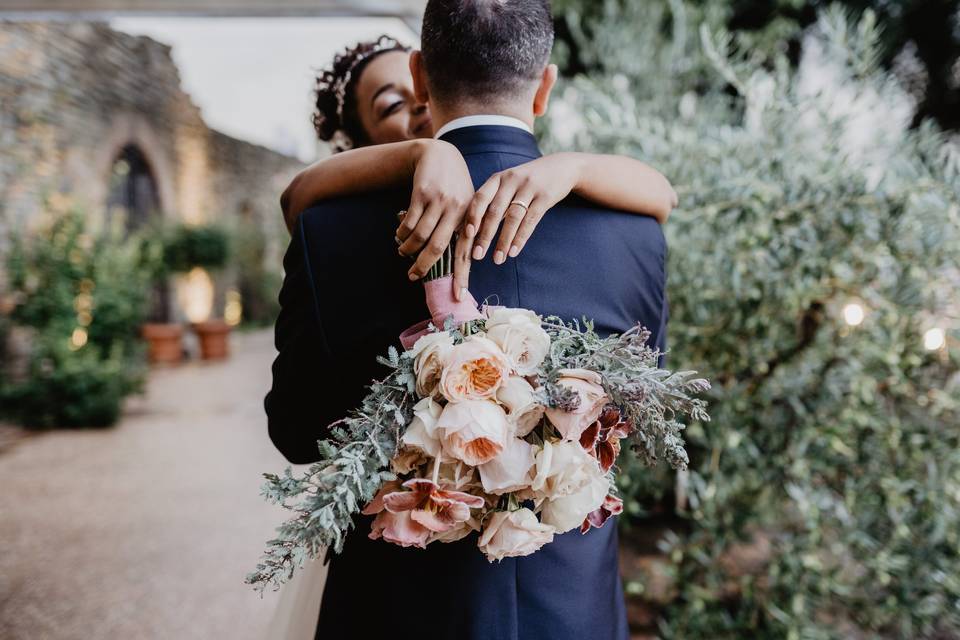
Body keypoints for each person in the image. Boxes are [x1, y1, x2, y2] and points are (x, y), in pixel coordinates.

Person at [265, 1, 668, 638]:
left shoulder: (328, 227)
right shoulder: (634, 234)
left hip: (394, 610)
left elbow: (294, 432)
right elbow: (636, 427)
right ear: (545, 85)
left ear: (420, 77)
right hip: (568, 607)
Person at [280, 34, 677, 295]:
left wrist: (575, 168)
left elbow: (664, 195)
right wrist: (420, 152)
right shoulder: (341, 223)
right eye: (391, 105)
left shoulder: (532, 175)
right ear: (363, 142)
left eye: (419, 89)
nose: (419, 103)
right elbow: (295, 196)